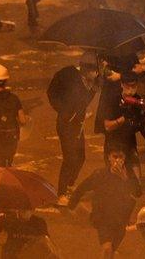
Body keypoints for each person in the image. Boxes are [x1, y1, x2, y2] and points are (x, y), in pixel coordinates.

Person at [68, 147, 142, 259]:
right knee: (107, 248)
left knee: (111, 250)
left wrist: (124, 179)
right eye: (115, 156)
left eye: (120, 156)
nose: (117, 160)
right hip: (103, 218)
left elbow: (138, 193)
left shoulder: (128, 174)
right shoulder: (100, 175)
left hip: (121, 219)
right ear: (109, 158)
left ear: (124, 158)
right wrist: (71, 204)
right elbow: (82, 188)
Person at [47, 51, 99, 201]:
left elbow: (84, 102)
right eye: (93, 70)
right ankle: (61, 192)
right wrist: (65, 111)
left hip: (78, 124)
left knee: (81, 157)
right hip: (66, 123)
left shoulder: (92, 83)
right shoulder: (69, 76)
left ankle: (69, 183)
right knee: (69, 158)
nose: (96, 73)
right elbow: (52, 92)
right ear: (85, 69)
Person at [102, 71, 145, 179]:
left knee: (136, 186)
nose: (131, 90)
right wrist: (123, 119)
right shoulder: (113, 100)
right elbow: (107, 126)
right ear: (122, 84)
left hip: (129, 146)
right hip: (113, 147)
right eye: (128, 86)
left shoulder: (138, 102)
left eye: (134, 86)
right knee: (115, 181)